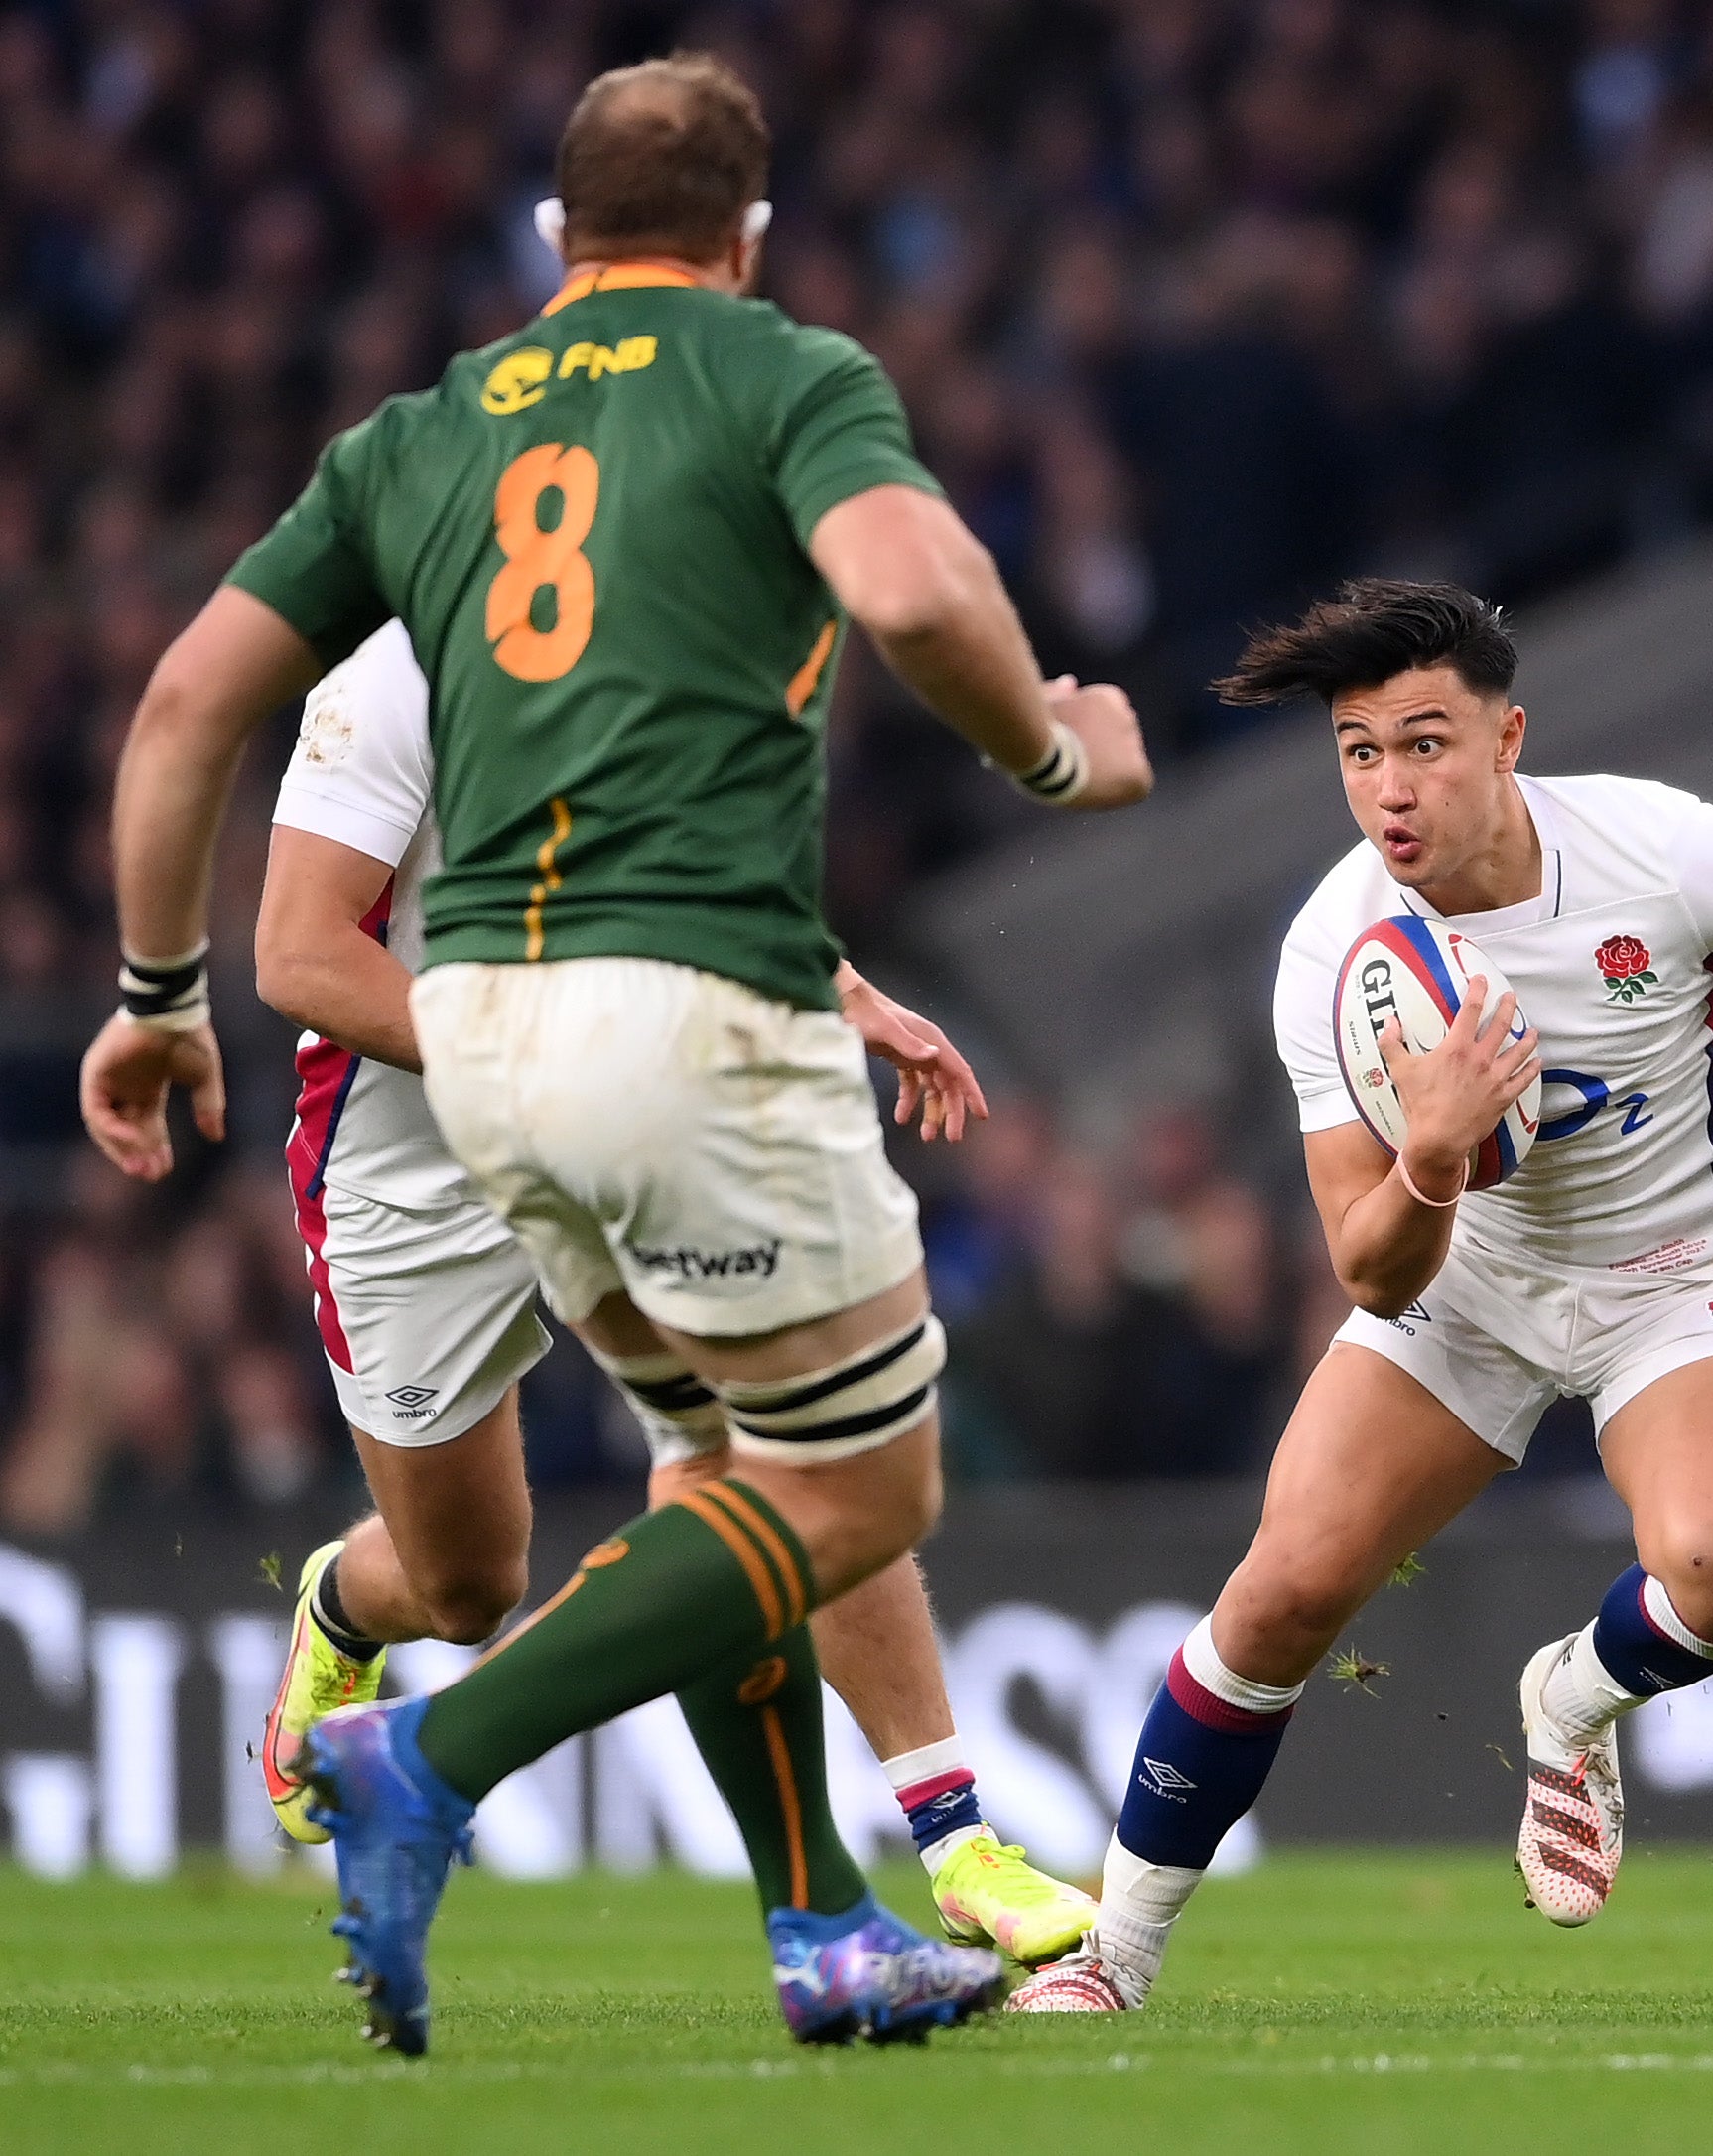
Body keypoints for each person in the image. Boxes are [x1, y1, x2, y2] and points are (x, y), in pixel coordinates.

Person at [77, 54, 1148, 2054]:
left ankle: (852, 1902)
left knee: (723, 1463)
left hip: (525, 1055)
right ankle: (431, 1735)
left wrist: (144, 1005)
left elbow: (187, 716)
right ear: (750, 240)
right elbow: (308, 945)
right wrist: (1063, 749)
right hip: (452, 1119)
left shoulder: (425, 463)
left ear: (554, 242)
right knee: (768, 1507)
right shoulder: (751, 397)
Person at [1008, 579, 1713, 2014]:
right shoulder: (1334, 951)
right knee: (1280, 1599)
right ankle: (1113, 1958)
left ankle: (1573, 1695)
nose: (1392, 787)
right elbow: (1367, 1264)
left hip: (1676, 1275)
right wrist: (1437, 1150)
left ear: (1509, 741)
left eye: (1427, 743)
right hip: (1466, 1291)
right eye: (1358, 751)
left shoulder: (1658, 850)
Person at [245, 620, 1095, 1967]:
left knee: (776, 1442)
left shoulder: (661, 628)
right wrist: (513, 1067)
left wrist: (847, 989)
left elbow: (682, 877)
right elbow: (299, 956)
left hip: (615, 1112)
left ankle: (952, 1840)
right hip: (411, 1160)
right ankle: (350, 1610)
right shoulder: (393, 678)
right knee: (466, 1585)